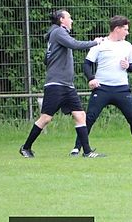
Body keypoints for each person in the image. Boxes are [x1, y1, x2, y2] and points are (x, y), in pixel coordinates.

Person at [20, 9, 106, 158]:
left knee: (80, 115)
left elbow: (46, 59)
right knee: (46, 118)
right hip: (56, 85)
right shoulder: (58, 32)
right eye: (69, 17)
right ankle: (26, 147)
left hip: (67, 85)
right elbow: (74, 44)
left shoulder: (56, 34)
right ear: (61, 20)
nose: (71, 20)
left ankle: (87, 152)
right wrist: (95, 42)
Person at [71, 15, 132, 155]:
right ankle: (77, 148)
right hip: (102, 89)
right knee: (89, 118)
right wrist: (91, 78)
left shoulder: (127, 45)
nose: (127, 32)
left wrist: (128, 66)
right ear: (117, 29)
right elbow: (87, 64)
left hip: (122, 89)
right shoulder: (100, 44)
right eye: (125, 29)